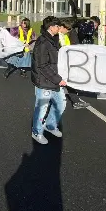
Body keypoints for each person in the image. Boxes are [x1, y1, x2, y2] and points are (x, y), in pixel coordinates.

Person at [30, 16, 68, 145]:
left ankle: (51, 125)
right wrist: (58, 80)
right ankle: (37, 132)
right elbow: (42, 66)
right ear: (51, 27)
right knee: (42, 108)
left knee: (61, 104)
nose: (60, 28)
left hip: (54, 80)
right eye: (57, 26)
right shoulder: (42, 42)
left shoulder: (54, 39)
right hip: (44, 81)